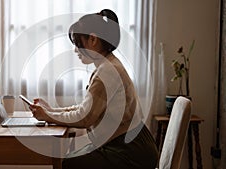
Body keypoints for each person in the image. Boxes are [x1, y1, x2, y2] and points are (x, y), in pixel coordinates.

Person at [29, 9, 158, 169]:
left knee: (70, 163)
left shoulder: (107, 71)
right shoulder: (108, 65)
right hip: (128, 145)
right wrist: (51, 111)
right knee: (69, 159)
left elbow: (85, 118)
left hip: (130, 151)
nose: (76, 50)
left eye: (78, 43)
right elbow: (85, 109)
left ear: (93, 39)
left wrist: (47, 116)